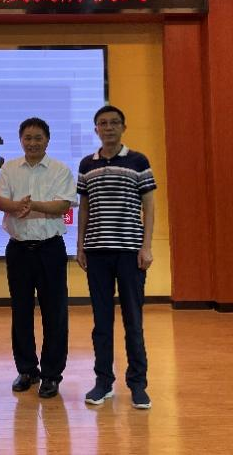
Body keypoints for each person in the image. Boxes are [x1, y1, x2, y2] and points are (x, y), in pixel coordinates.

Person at [77, 105, 156, 410]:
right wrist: (81, 246)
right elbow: (84, 208)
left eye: (113, 123)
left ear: (124, 127)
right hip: (97, 252)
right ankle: (103, 382)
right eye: (102, 123)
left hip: (130, 252)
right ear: (95, 129)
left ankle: (138, 385)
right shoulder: (87, 164)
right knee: (101, 322)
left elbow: (149, 207)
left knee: (133, 320)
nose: (108, 127)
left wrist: (146, 247)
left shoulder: (138, 161)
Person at [0, 117, 78, 399]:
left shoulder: (60, 169)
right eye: (27, 138)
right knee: (21, 311)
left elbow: (63, 205)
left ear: (47, 140)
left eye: (38, 138)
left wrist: (30, 206)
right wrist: (17, 205)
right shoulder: (9, 168)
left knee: (55, 313)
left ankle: (51, 375)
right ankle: (27, 370)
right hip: (18, 249)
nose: (32, 143)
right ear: (21, 140)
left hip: (50, 249)